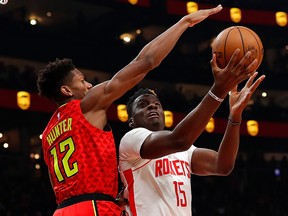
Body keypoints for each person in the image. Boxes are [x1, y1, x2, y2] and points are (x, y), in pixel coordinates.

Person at [36, 5, 224, 216]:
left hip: (62, 210)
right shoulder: (85, 105)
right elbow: (145, 62)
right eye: (82, 81)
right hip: (95, 207)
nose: (89, 85)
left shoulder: (48, 133)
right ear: (66, 90)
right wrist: (184, 23)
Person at [118, 52, 266, 215]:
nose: (152, 107)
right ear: (131, 121)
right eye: (143, 105)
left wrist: (234, 116)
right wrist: (218, 90)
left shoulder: (184, 150)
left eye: (156, 104)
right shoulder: (131, 140)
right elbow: (179, 139)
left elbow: (222, 165)